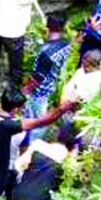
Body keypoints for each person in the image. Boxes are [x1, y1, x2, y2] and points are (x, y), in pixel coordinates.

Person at [22, 12, 72, 142]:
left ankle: (31, 145)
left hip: (40, 91)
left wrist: (25, 91)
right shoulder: (66, 43)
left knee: (38, 119)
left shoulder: (46, 52)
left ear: (47, 26)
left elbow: (37, 78)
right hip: (52, 84)